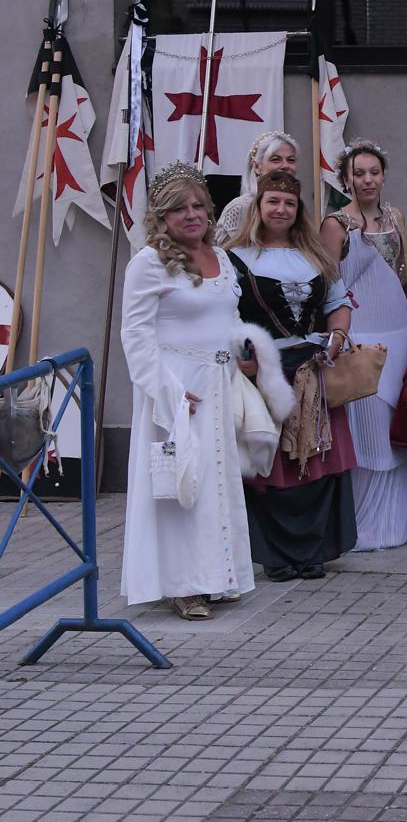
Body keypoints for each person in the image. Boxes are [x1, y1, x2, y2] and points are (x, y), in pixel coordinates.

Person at [121, 162, 283, 619]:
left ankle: (216, 576)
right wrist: (166, 391)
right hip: (176, 388)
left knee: (216, 485)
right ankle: (181, 584)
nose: (191, 215)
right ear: (161, 216)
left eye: (198, 206)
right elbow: (134, 336)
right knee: (181, 486)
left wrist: (242, 353)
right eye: (179, 209)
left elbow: (227, 316)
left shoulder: (221, 256)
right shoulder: (148, 263)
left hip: (217, 381)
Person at [226, 169, 358, 581]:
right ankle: (276, 555)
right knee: (272, 461)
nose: (281, 209)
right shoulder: (235, 257)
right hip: (265, 369)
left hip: (314, 366)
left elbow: (339, 302)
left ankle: (313, 550)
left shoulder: (316, 256)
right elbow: (225, 313)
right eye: (273, 202)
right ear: (259, 207)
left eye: (288, 203)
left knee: (317, 460)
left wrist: (337, 336)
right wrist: (240, 357)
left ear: (297, 209)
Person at [317, 139, 407, 551]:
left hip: (399, 331)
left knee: (396, 427)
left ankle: (395, 522)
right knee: (367, 429)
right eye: (359, 173)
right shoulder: (336, 223)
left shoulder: (395, 216)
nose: (368, 180)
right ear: (346, 178)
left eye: (374, 172)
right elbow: (326, 282)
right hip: (361, 332)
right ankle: (362, 524)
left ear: (384, 175)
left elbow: (405, 273)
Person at [217, 130, 298, 241]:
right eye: (275, 160)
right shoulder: (240, 208)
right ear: (256, 167)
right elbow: (222, 254)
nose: (285, 165)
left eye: (291, 160)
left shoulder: (296, 206)